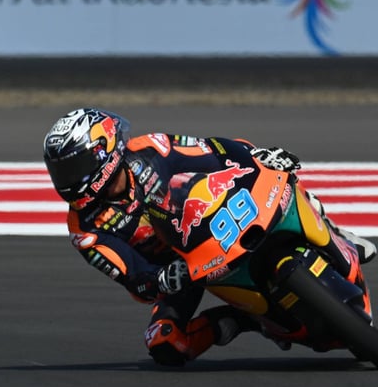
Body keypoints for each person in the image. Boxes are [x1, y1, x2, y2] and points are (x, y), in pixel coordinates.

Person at [42, 108, 376, 368]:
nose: (67, 181)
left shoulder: (153, 148)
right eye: (60, 171)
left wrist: (259, 157)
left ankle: (331, 232)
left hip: (219, 216)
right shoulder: (85, 229)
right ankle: (247, 319)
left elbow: (217, 151)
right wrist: (162, 280)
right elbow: (134, 278)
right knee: (165, 344)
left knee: (279, 176)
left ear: (106, 151)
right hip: (184, 271)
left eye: (74, 166)